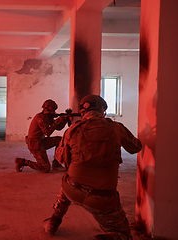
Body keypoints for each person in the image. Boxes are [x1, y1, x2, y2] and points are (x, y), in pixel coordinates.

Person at [43, 95, 142, 240]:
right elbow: (136, 148)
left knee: (68, 180)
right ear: (103, 110)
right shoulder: (116, 128)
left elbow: (60, 158)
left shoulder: (72, 130)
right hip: (102, 199)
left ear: (82, 112)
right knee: (124, 235)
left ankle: (53, 222)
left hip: (73, 189)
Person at [15, 99, 69, 173]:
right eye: (53, 110)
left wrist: (64, 120)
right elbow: (47, 133)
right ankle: (22, 162)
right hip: (35, 144)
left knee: (60, 140)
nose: (55, 112)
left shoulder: (47, 117)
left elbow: (58, 128)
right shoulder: (40, 117)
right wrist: (57, 121)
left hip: (41, 141)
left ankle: (56, 163)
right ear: (48, 109)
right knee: (45, 168)